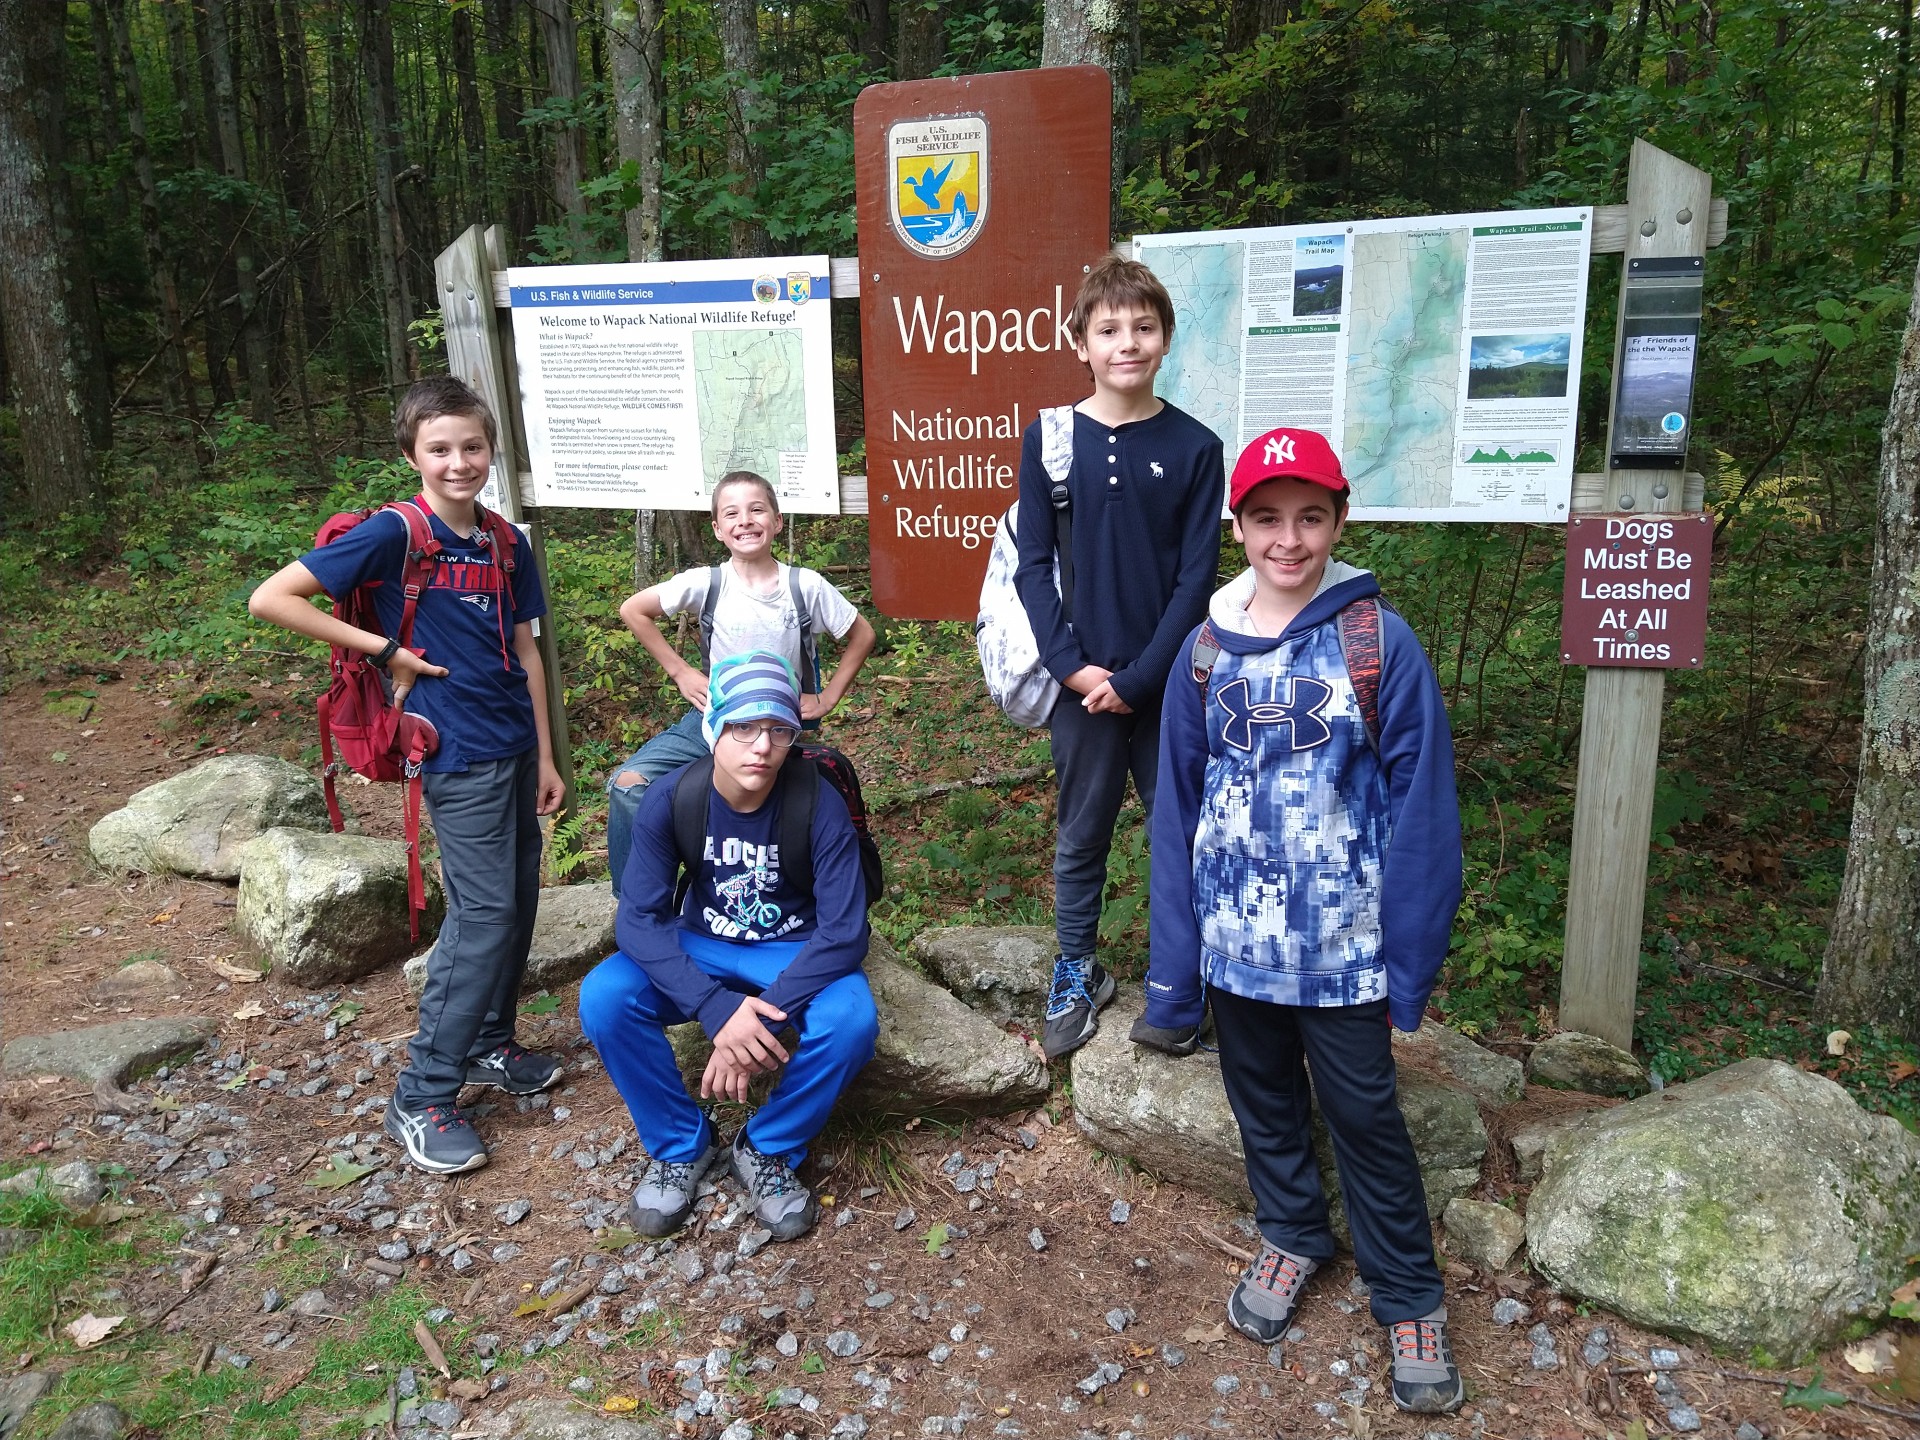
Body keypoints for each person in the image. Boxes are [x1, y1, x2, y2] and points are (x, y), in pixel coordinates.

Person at [1135, 427, 1465, 1414]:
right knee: (1263, 1099)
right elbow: (1178, 809)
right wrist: (1174, 963)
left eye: (1310, 517)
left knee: (1364, 1113)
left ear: (1339, 520)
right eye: (1268, 518)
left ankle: (1408, 1294)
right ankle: (1291, 1231)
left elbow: (1423, 802)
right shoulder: (1204, 649)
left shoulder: (1377, 642)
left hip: (1342, 949)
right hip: (1239, 946)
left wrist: (1408, 955)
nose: (1289, 539)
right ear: (1238, 526)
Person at [249, 376, 565, 1176]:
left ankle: (489, 1046)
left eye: (472, 447)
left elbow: (525, 649)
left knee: (518, 901)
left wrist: (549, 754)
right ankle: (422, 1094)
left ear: (491, 450)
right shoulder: (395, 533)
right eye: (441, 449)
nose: (460, 462)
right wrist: (386, 652)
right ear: (411, 455)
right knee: (485, 915)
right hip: (452, 750)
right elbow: (273, 598)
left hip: (513, 745)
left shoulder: (504, 541)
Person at [579, 651, 877, 1241]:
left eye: (778, 729)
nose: (761, 746)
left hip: (793, 947)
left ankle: (766, 1147)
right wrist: (716, 1011)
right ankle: (679, 1145)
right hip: (704, 942)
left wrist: (750, 1025)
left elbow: (845, 931)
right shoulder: (672, 797)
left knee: (851, 1018)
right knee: (605, 996)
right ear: (713, 727)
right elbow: (638, 920)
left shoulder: (818, 803)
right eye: (743, 727)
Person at [1012, 252, 1225, 1059]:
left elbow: (1196, 576)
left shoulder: (1196, 447)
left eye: (1142, 327)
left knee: (1184, 830)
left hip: (1170, 685)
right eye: (1108, 330)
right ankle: (1076, 968)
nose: (1126, 343)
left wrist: (1140, 678)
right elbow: (1032, 563)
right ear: (1082, 342)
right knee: (1082, 831)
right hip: (1081, 685)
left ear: (1166, 338)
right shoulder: (1051, 438)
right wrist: (1074, 669)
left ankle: (1188, 980)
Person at [605, 471, 876, 892]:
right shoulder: (707, 583)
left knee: (785, 811)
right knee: (628, 784)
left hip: (777, 732)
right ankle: (638, 903)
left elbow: (863, 634)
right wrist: (680, 672)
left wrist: (827, 697)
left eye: (756, 510)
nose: (744, 521)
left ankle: (789, 896)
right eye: (731, 513)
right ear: (717, 528)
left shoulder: (804, 586)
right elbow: (633, 610)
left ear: (777, 520)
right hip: (712, 723)